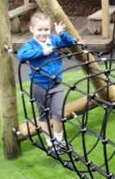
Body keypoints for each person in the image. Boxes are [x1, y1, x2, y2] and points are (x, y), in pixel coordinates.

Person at [17, 12, 77, 156]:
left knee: (59, 113)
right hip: (40, 85)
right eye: (39, 29)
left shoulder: (54, 40)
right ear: (32, 29)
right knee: (44, 115)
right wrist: (42, 52)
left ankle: (59, 141)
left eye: (46, 29)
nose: (43, 33)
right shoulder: (30, 45)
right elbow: (22, 55)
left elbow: (70, 42)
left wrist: (62, 33)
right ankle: (51, 143)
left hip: (56, 84)